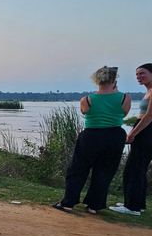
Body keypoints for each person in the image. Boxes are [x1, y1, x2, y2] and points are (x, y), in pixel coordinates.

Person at [52, 66, 131, 214]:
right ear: (114, 80)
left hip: (91, 135)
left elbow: (84, 112)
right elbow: (124, 113)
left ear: (96, 81)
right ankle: (94, 206)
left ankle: (68, 203)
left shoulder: (87, 100)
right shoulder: (125, 98)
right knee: (105, 171)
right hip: (115, 135)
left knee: (77, 169)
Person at [110, 63, 152, 216]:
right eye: (137, 74)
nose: (138, 77)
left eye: (142, 73)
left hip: (148, 131)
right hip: (145, 130)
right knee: (138, 169)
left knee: (134, 169)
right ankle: (138, 203)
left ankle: (132, 207)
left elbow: (149, 116)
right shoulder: (150, 90)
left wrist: (132, 134)